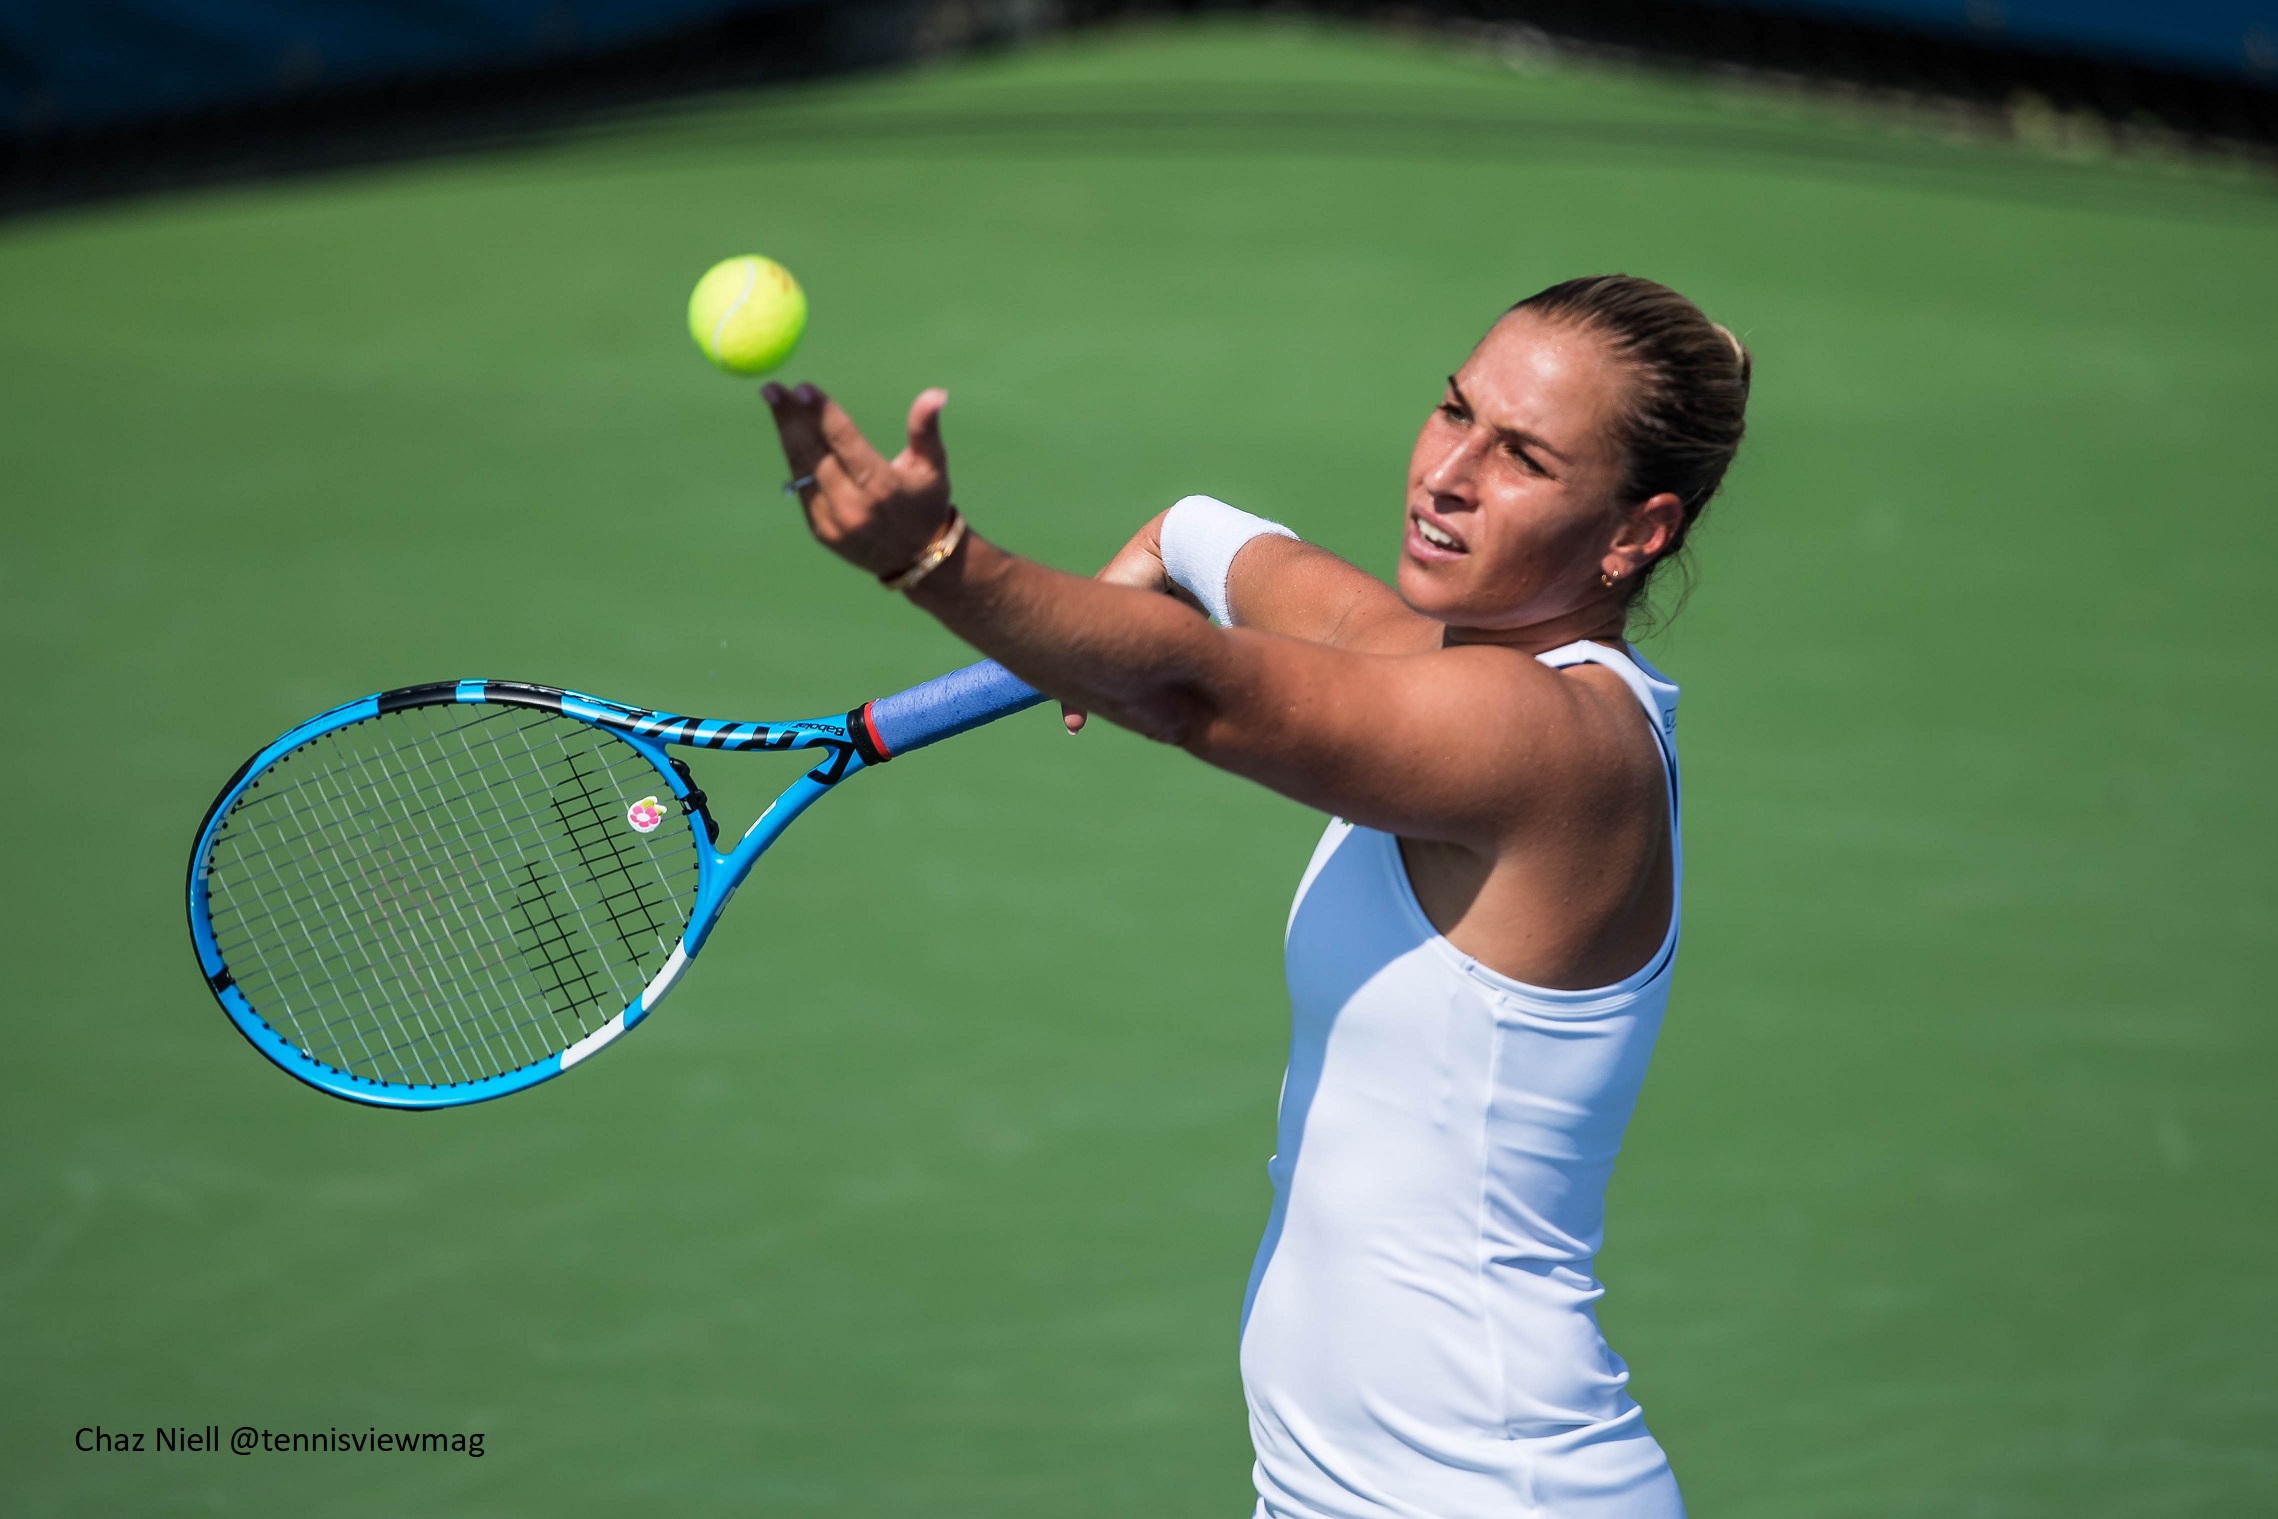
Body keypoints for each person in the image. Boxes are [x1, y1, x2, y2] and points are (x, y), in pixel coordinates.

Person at [762, 272, 1750, 1519]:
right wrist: (1155, 550)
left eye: (1524, 458)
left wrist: (940, 564)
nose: (1448, 473)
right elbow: (1214, 543)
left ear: (1632, 533)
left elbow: (1194, 690)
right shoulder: (1439, 663)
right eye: (1453, 412)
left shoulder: (1552, 742)